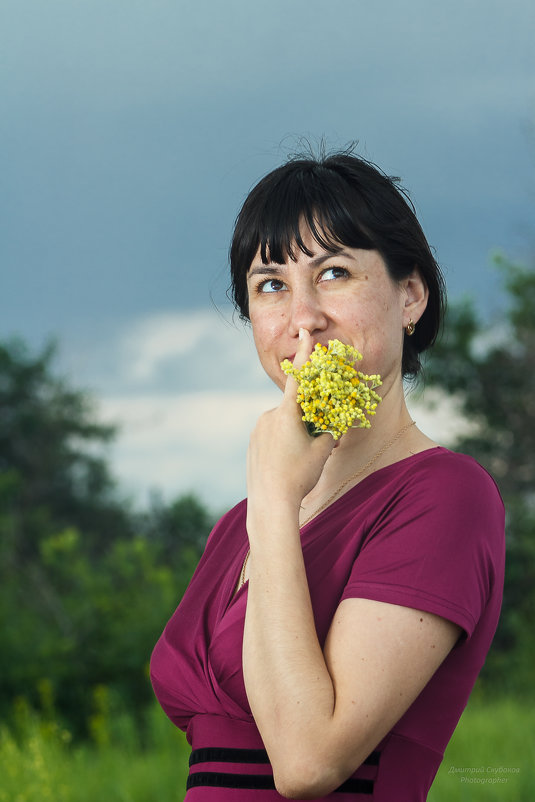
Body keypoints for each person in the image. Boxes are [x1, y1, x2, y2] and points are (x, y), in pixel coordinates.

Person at [150, 150, 505, 801]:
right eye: (271, 286)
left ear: (410, 295)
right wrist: (272, 502)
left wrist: (275, 499)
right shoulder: (241, 523)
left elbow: (308, 763)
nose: (302, 318)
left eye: (334, 273)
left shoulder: (444, 496)